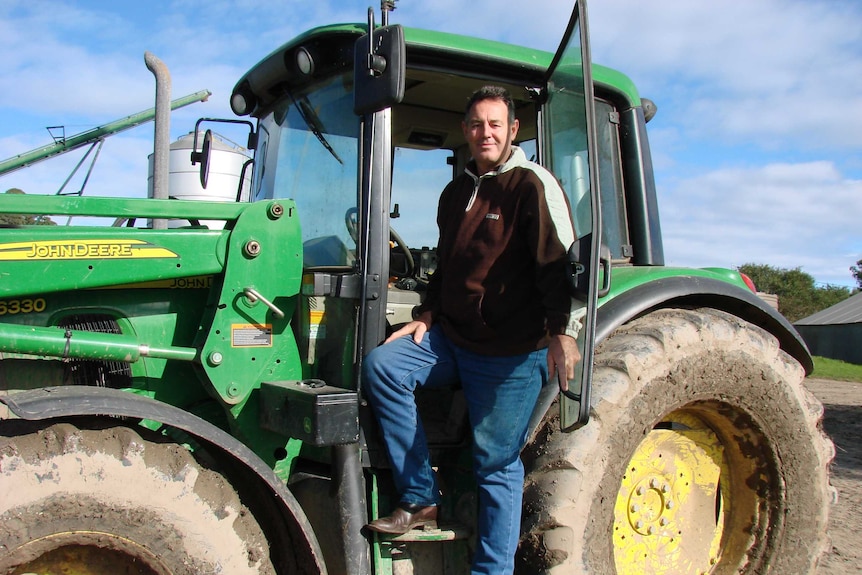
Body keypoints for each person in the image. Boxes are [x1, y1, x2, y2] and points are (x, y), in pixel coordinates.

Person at [363, 85, 584, 574]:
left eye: (495, 124)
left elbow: (556, 266)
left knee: (495, 464)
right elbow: (449, 267)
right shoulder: (457, 191)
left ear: (511, 130)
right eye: (478, 124)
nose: (486, 132)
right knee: (384, 366)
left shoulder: (530, 184)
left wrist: (562, 332)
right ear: (466, 131)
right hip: (455, 337)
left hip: (510, 351)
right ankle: (421, 499)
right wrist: (426, 316)